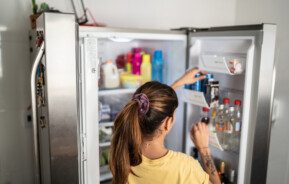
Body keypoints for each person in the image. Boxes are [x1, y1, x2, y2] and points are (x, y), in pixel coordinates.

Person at [109, 68, 221, 184]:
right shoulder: (185, 167)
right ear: (168, 123)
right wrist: (203, 149)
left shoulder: (122, 155)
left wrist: (179, 82)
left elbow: (150, 106)